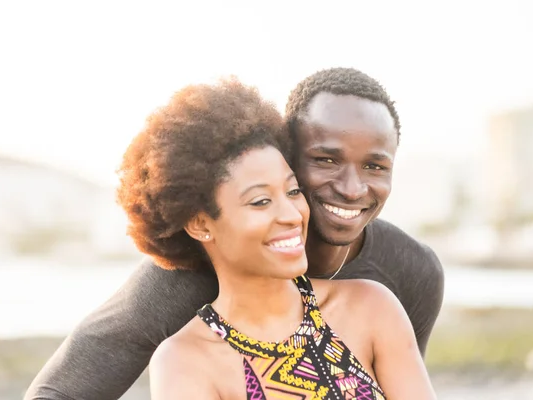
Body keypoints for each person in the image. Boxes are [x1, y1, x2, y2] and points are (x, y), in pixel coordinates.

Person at [25, 68, 444, 400]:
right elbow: (58, 392)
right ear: (286, 153)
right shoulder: (178, 287)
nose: (352, 188)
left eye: (375, 166)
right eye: (326, 159)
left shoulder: (404, 277)